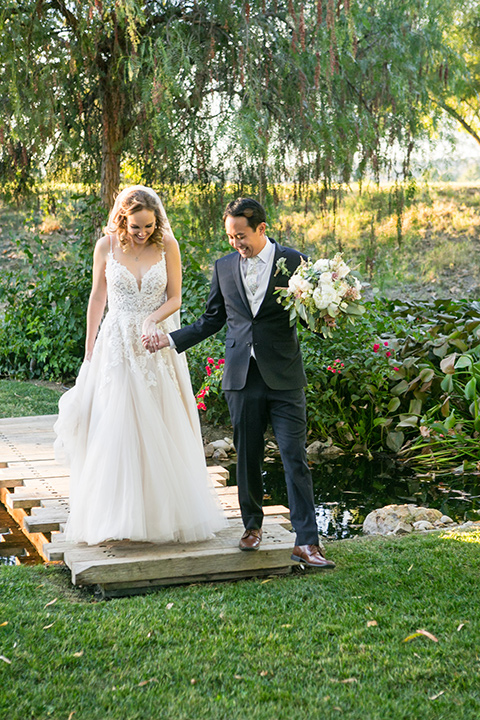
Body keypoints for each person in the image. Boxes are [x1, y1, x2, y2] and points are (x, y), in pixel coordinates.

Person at [144, 198, 335, 569]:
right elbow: (212, 320)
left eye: (241, 236)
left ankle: (307, 542)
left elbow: (310, 314)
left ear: (262, 228)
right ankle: (252, 526)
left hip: (284, 376)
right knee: (246, 455)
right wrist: (170, 340)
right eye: (231, 237)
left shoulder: (296, 263)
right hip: (241, 377)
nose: (236, 244)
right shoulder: (224, 267)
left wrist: (329, 309)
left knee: (294, 457)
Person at [54, 185, 227, 545]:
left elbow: (175, 297)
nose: (143, 232)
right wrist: (89, 351)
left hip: (156, 344)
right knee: (115, 426)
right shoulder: (106, 247)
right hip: (116, 344)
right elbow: (97, 297)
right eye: (136, 227)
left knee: (161, 423)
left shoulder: (167, 245)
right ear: (122, 219)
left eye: (149, 226)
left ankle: (164, 516)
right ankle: (117, 516)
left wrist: (151, 321)